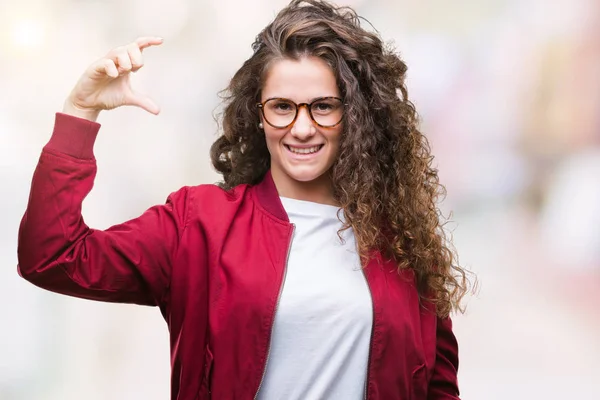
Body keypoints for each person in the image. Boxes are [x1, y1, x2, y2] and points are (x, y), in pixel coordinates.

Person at [17, 0, 469, 399]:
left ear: (355, 115)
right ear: (258, 114)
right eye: (282, 106)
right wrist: (80, 111)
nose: (302, 127)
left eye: (323, 106)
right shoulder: (199, 224)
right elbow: (52, 256)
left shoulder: (403, 242)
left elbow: (438, 388)